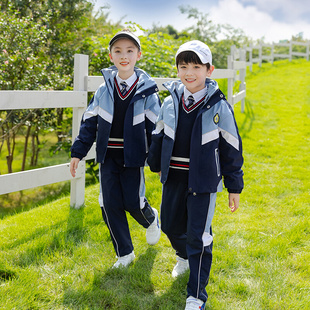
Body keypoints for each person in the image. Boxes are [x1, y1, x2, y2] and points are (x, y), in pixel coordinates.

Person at [147, 40, 244, 310]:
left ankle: (196, 297)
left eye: (196, 66)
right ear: (177, 70)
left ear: (209, 70)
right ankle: (184, 257)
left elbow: (232, 147)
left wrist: (234, 186)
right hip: (174, 178)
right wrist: (155, 164)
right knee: (168, 225)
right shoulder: (169, 102)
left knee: (199, 236)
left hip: (203, 182)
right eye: (183, 66)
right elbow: (158, 135)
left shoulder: (219, 106)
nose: (189, 72)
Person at [70, 29, 161, 268]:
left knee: (133, 201)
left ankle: (151, 219)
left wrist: (158, 161)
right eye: (118, 51)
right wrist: (78, 152)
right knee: (109, 203)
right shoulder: (103, 90)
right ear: (110, 56)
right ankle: (124, 253)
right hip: (108, 156)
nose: (124, 56)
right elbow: (89, 123)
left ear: (138, 55)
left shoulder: (148, 92)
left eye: (129, 51)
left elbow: (155, 130)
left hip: (133, 157)